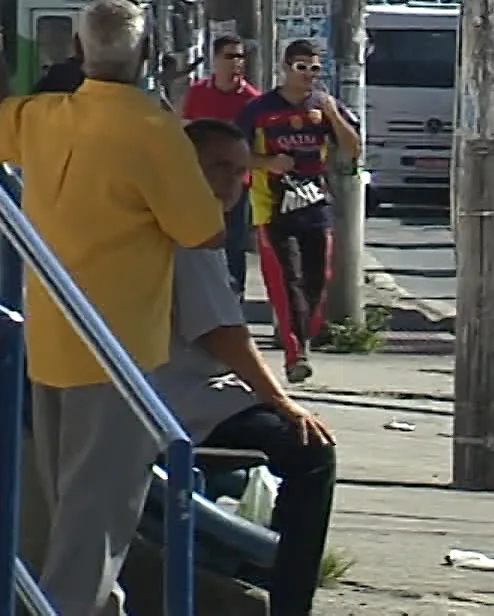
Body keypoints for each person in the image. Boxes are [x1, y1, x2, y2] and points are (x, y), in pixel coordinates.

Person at [0, 0, 225, 616]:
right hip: (118, 348)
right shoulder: (151, 129)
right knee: (97, 511)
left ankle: (94, 606)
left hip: (51, 335)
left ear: (75, 51)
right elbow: (203, 230)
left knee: (71, 499)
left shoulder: (44, 117)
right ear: (145, 55)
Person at [158, 118, 339, 616]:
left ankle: (260, 565)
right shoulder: (187, 229)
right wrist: (280, 399)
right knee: (311, 453)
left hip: (186, 388)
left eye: (240, 171)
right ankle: (287, 596)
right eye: (217, 166)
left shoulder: (196, 225)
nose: (230, 182)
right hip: (180, 397)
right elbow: (222, 334)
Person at [236, 39, 363, 384]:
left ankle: (303, 337)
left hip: (314, 204)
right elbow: (235, 153)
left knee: (317, 280)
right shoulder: (260, 108)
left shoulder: (323, 106)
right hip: (273, 208)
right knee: (287, 280)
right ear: (286, 68)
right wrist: (267, 162)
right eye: (301, 67)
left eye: (315, 68)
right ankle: (296, 354)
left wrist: (333, 114)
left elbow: (352, 149)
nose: (309, 75)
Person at [180, 34, 262, 297]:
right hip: (198, 184)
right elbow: (185, 133)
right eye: (229, 56)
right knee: (199, 243)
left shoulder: (252, 99)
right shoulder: (197, 93)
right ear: (215, 59)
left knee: (233, 246)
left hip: (235, 186)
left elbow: (257, 145)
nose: (236, 63)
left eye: (240, 57)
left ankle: (233, 299)